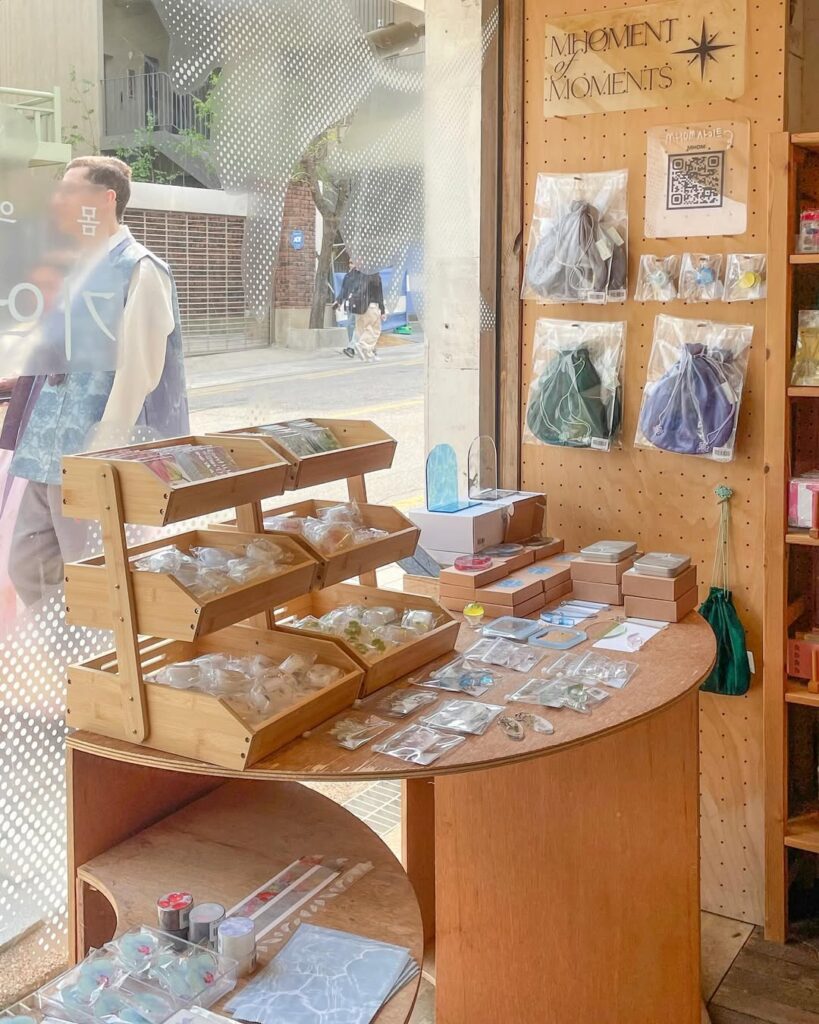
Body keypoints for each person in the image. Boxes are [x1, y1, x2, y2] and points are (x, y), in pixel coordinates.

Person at [5, 156, 190, 607]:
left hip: (89, 448)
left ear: (106, 199)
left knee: (91, 568)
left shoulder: (140, 268)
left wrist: (104, 448)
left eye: (71, 191)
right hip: (45, 445)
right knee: (28, 563)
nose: (59, 200)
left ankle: (98, 646)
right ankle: (60, 640)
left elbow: (140, 369)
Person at [335, 262, 386, 361]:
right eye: (350, 263)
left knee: (360, 330)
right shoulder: (373, 276)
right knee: (373, 330)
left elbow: (345, 291)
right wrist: (382, 310)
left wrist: (339, 301)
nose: (351, 265)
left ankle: (367, 353)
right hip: (371, 306)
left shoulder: (353, 275)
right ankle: (361, 346)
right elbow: (380, 295)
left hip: (357, 307)